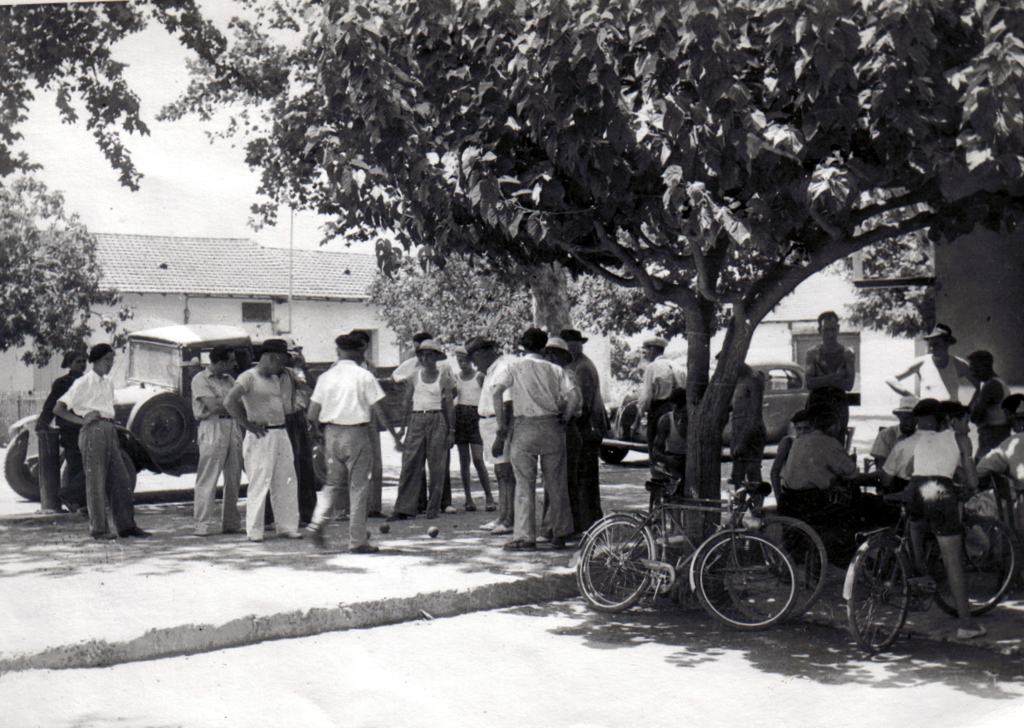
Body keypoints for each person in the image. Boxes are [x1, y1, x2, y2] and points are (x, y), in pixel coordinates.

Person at [305, 334, 404, 553]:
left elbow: (311, 413)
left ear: (338, 351)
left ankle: (317, 523)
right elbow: (381, 409)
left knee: (332, 483)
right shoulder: (364, 376)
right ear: (360, 351)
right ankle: (357, 540)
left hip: (331, 432)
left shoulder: (325, 377)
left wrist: (321, 435)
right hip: (357, 432)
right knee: (358, 487)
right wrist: (395, 436)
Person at [902, 398, 985, 639]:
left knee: (916, 529)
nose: (968, 427)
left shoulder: (925, 438)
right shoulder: (961, 440)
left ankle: (919, 574)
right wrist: (961, 476)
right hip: (939, 491)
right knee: (953, 561)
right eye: (965, 421)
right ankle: (966, 625)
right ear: (952, 420)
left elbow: (909, 471)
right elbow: (973, 481)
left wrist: (947, 467)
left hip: (916, 489)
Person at [491, 328, 580, 551]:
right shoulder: (555, 369)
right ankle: (559, 533)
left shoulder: (513, 366)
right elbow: (574, 396)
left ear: (522, 346)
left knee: (524, 483)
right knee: (556, 482)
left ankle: (525, 536)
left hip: (525, 426)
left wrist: (502, 425)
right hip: (552, 426)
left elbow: (496, 391)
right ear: (543, 348)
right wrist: (566, 417)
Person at [53, 343, 150, 540]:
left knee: (121, 480)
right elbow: (59, 408)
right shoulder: (83, 382)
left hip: (109, 429)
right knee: (95, 480)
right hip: (92, 430)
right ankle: (99, 529)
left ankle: (126, 526)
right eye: (107, 360)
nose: (111, 363)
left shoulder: (108, 382)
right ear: (96, 360)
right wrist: (82, 420)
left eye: (112, 360)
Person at [223, 339, 303, 542]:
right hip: (261, 435)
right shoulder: (248, 377)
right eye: (282, 361)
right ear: (272, 358)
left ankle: (286, 526)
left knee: (286, 480)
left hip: (280, 433)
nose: (283, 366)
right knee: (259, 482)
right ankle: (255, 530)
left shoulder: (275, 378)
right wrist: (248, 425)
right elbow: (229, 402)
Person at [778, 405, 858, 563]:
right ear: (833, 427)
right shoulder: (829, 442)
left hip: (789, 500)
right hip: (811, 503)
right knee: (855, 503)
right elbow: (852, 472)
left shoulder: (799, 441)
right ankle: (846, 556)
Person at [388, 340, 457, 521]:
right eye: (422, 355)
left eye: (430, 355)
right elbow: (407, 404)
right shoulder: (413, 377)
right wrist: (402, 429)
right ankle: (403, 508)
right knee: (410, 463)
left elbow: (449, 405)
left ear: (436, 357)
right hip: (416, 420)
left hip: (437, 419)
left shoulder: (444, 376)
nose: (426, 358)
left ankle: (432, 509)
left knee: (436, 465)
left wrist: (451, 430)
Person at [190, 344, 244, 536]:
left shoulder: (229, 379)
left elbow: (240, 403)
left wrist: (228, 403)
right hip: (212, 426)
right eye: (231, 361)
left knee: (233, 476)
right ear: (220, 362)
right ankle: (202, 525)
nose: (235, 364)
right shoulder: (200, 379)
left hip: (232, 426)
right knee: (208, 477)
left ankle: (231, 522)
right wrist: (230, 402)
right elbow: (213, 406)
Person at [466, 336, 516, 535]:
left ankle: (509, 519)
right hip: (487, 422)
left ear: (482, 353)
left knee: (506, 472)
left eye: (474, 358)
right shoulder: (489, 372)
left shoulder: (502, 369)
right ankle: (502, 517)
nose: (474, 364)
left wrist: (500, 435)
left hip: (498, 422)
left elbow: (507, 404)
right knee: (499, 472)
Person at [561, 328, 608, 532]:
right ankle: (586, 520)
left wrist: (570, 423)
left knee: (585, 477)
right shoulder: (578, 364)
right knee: (582, 476)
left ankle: (589, 522)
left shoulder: (582, 368)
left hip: (588, 429)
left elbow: (584, 405)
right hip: (588, 428)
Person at [36, 350, 88, 514]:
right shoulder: (62, 383)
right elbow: (51, 404)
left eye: (84, 361)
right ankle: (72, 498)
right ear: (69, 364)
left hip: (84, 427)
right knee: (76, 465)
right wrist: (43, 423)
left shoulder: (89, 380)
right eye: (78, 361)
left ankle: (77, 502)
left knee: (81, 466)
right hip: (70, 429)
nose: (82, 364)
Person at [542, 337, 584, 538]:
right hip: (557, 429)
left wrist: (563, 416)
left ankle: (567, 527)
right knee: (555, 480)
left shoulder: (567, 375)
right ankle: (554, 526)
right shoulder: (551, 376)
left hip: (567, 428)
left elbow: (574, 401)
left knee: (565, 479)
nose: (550, 357)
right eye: (547, 353)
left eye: (554, 353)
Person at [453, 345, 496, 512]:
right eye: (459, 360)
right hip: (460, 418)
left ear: (471, 360)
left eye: (464, 359)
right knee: (464, 461)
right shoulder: (455, 378)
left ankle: (489, 497)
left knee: (478, 460)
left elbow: (487, 396)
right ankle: (468, 499)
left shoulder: (479, 377)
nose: (462, 363)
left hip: (475, 419)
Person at [349, 329, 386, 518]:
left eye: (364, 345)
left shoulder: (371, 366)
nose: (361, 349)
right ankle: (345, 509)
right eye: (357, 345)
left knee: (376, 464)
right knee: (350, 465)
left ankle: (374, 507)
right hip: (349, 421)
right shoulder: (339, 367)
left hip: (369, 419)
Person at [804, 311, 856, 443]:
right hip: (817, 403)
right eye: (826, 330)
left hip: (838, 403)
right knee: (815, 442)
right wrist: (836, 377)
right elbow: (809, 384)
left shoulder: (846, 354)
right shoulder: (813, 353)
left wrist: (822, 379)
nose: (830, 334)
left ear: (838, 329)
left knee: (837, 443)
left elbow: (849, 385)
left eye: (833, 329)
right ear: (819, 330)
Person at [631, 336, 685, 461]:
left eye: (647, 350)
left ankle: (658, 476)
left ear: (654, 350)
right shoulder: (676, 366)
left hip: (659, 409)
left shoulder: (652, 367)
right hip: (678, 410)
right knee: (674, 445)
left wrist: (636, 422)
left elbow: (645, 397)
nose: (645, 354)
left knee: (656, 446)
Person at [887, 324, 972, 402]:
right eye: (930, 344)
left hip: (950, 415)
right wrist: (912, 397)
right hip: (928, 415)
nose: (932, 348)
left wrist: (971, 408)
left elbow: (980, 385)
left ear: (947, 344)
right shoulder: (922, 362)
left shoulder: (958, 363)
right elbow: (891, 380)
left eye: (936, 344)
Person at [282, 343, 318, 524]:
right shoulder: (277, 374)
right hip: (284, 420)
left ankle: (306, 513)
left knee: (304, 466)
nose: (293, 358)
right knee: (289, 468)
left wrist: (303, 366)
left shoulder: (296, 373)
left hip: (299, 418)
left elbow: (314, 388)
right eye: (290, 354)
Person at [967, 350, 1010, 460]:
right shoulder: (993, 383)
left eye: (974, 369)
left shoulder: (991, 385)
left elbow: (974, 417)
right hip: (996, 435)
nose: (972, 374)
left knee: (980, 470)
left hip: (994, 436)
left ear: (984, 367)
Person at [730, 362, 767, 485]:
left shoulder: (753, 379)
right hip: (737, 430)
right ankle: (739, 503)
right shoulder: (736, 380)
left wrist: (743, 440)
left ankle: (756, 503)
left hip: (751, 432)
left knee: (752, 471)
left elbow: (755, 416)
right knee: (737, 475)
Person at [769, 408, 811, 504]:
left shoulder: (817, 444)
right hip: (790, 492)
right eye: (799, 429)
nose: (803, 432)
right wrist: (779, 499)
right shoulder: (789, 442)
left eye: (807, 428)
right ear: (795, 428)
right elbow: (774, 472)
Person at [651, 387, 688, 484]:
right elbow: (655, 451)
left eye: (684, 412)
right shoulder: (666, 421)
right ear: (673, 407)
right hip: (672, 458)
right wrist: (668, 459)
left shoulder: (694, 421)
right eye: (678, 412)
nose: (682, 415)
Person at [870, 395, 919, 468]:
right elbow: (881, 467)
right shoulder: (885, 435)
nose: (909, 423)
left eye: (913, 419)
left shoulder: (922, 435)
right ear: (898, 416)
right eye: (905, 418)